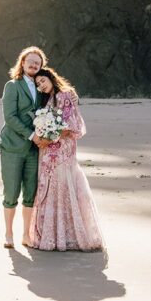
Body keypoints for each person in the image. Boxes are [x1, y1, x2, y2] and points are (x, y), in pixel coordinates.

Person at [28, 67, 104, 251]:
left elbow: (70, 124)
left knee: (63, 185)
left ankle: (69, 237)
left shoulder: (66, 94)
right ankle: (51, 236)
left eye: (42, 81)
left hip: (62, 150)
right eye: (38, 84)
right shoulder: (47, 101)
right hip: (47, 152)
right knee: (49, 186)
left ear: (51, 78)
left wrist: (49, 137)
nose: (41, 86)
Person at [0, 45, 48, 249]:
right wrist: (32, 135)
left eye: (38, 62)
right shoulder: (12, 86)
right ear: (22, 63)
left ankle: (26, 234)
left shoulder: (43, 87)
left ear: (41, 66)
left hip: (34, 150)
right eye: (30, 61)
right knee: (11, 192)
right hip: (12, 147)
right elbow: (10, 117)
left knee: (31, 193)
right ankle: (8, 233)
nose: (34, 64)